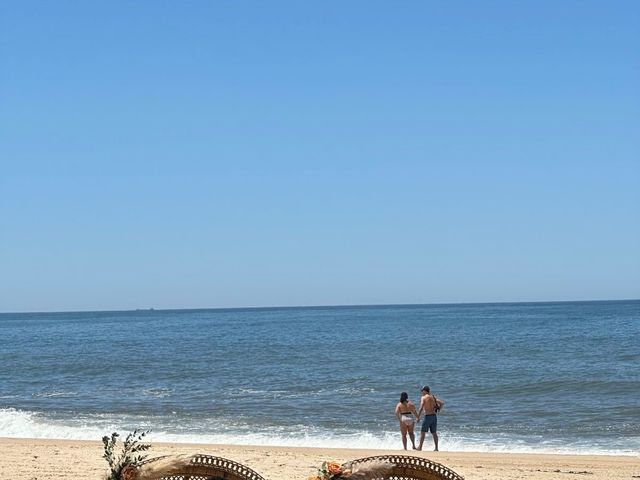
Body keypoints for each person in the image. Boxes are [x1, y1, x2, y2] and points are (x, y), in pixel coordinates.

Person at [416, 385, 444, 451]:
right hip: (434, 417)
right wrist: (439, 409)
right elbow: (442, 403)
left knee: (423, 432)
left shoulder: (423, 397)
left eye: (422, 391)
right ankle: (436, 448)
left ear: (425, 391)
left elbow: (421, 407)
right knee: (434, 433)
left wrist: (418, 417)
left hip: (427, 417)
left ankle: (420, 447)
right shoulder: (433, 397)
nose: (422, 392)